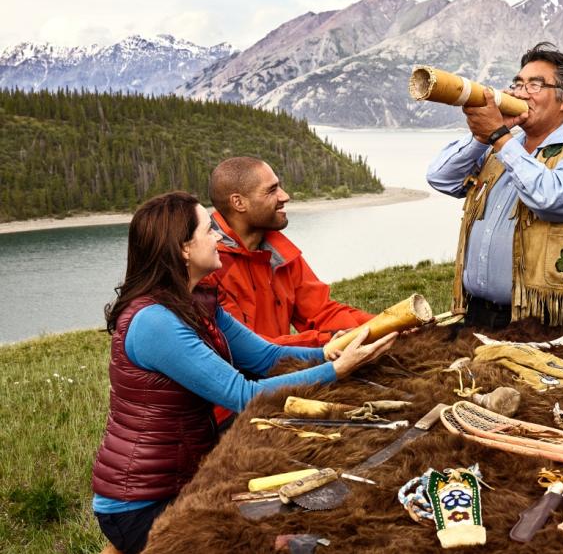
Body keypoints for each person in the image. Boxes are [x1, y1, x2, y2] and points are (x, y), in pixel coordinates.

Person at [92, 191, 396, 554]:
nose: (220, 237)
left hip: (186, 481)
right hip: (141, 504)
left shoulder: (196, 300)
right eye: (209, 230)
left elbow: (265, 357)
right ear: (184, 248)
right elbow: (242, 394)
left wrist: (326, 351)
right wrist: (335, 371)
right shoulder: (154, 322)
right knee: (287, 542)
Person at [426, 42, 563, 328]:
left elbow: (549, 198)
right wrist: (481, 136)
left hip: (543, 320)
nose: (521, 93)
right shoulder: (499, 147)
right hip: (476, 314)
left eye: (535, 85)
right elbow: (441, 177)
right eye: (518, 83)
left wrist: (500, 135)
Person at [204, 156, 374, 347]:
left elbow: (321, 312)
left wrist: (388, 324)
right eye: (271, 190)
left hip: (281, 368)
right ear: (239, 203)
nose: (285, 196)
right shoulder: (207, 264)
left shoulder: (279, 252)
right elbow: (245, 349)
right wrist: (330, 340)